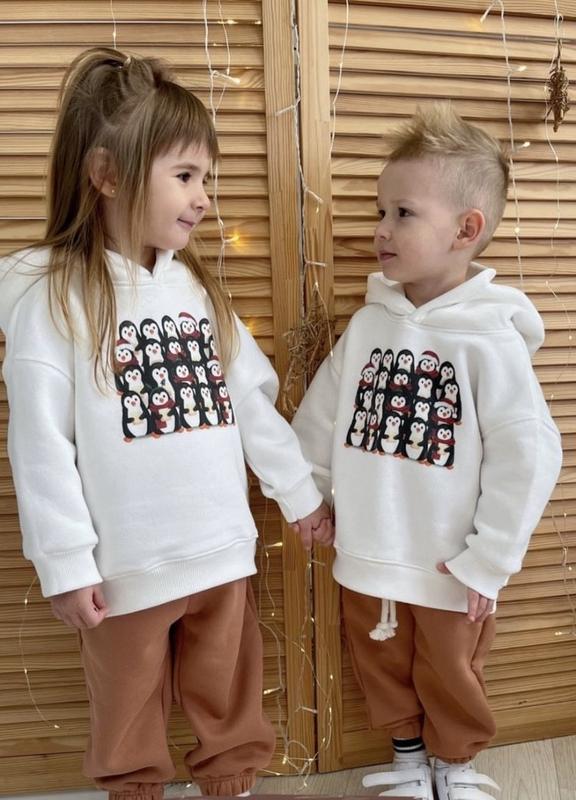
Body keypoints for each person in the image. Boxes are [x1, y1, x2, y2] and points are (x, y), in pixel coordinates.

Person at [0, 47, 332, 800]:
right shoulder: (55, 302)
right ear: (108, 175)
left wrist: (299, 494)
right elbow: (40, 447)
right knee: (126, 713)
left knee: (231, 699)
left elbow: (250, 404)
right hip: (124, 568)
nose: (203, 198)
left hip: (221, 551)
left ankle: (232, 784)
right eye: (185, 176)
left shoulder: (195, 292)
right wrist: (65, 563)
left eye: (206, 178)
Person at [292, 104, 562, 800]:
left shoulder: (489, 340)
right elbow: (323, 414)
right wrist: (310, 494)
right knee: (377, 660)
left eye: (403, 213)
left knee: (451, 666)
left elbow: (528, 455)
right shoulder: (368, 325)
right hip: (369, 547)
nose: (381, 229)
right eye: (381, 212)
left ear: (466, 230)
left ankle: (456, 764)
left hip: (452, 559)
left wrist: (492, 557)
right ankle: (409, 758)